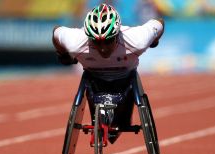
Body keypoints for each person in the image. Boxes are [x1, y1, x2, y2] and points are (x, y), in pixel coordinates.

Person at [52, 3, 164, 143]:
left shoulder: (138, 40)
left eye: (108, 41)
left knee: (121, 120)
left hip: (126, 80)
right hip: (94, 80)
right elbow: (56, 32)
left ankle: (120, 121)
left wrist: (154, 40)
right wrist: (63, 54)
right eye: (96, 42)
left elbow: (159, 23)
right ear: (88, 36)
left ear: (117, 34)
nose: (103, 48)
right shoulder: (76, 42)